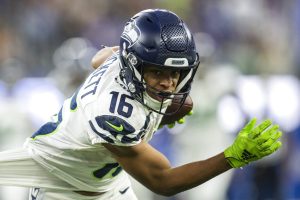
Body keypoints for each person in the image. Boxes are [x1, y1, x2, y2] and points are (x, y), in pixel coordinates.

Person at [0, 9, 282, 200]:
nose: (168, 83)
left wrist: (161, 115)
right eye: (157, 72)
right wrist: (231, 157)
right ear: (133, 65)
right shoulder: (111, 115)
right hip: (67, 188)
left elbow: (99, 60)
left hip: (106, 181)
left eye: (175, 73)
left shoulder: (116, 60)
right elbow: (163, 181)